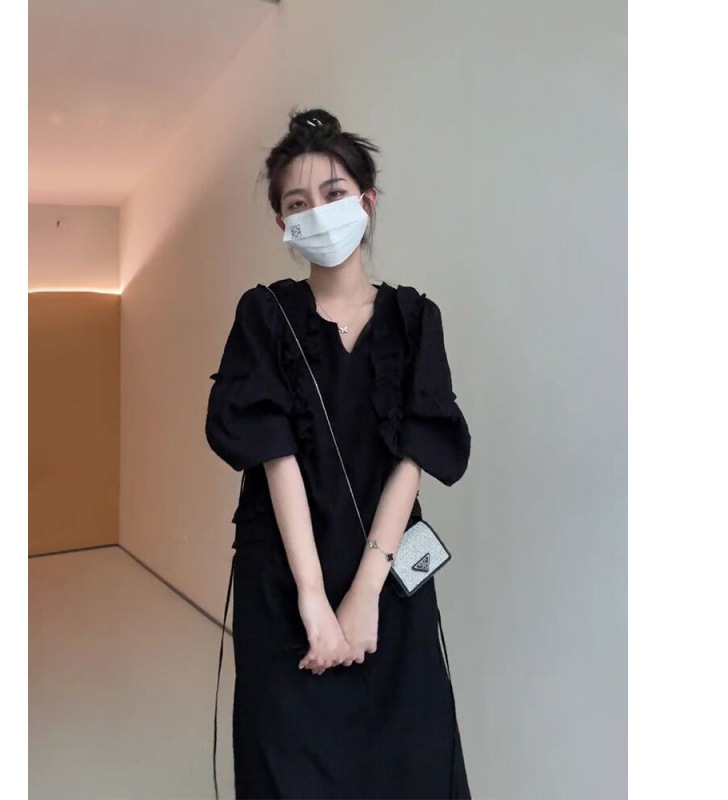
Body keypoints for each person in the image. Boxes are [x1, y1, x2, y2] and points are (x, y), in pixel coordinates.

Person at [206, 108, 473, 799]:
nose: (317, 213)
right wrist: (315, 600)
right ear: (282, 223)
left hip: (389, 576)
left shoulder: (416, 318)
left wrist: (363, 596)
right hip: (286, 578)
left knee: (410, 760)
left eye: (333, 193)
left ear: (367, 199)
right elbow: (275, 454)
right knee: (290, 765)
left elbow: (416, 456)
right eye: (298, 203)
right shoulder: (264, 314)